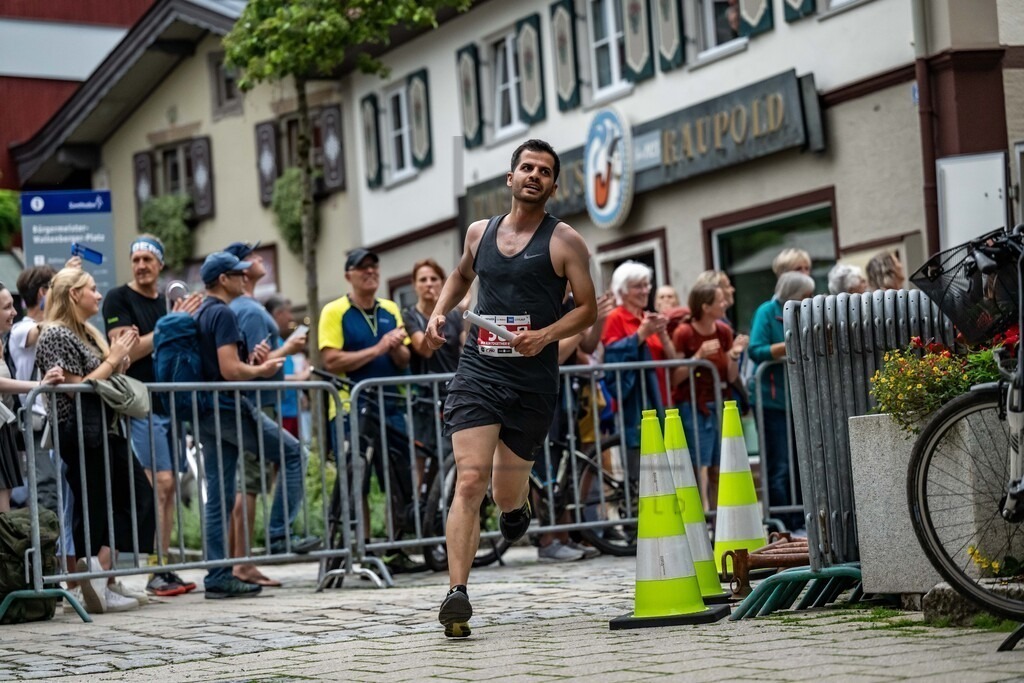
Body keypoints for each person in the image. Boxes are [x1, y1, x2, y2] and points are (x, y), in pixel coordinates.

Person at [424, 139, 597, 637]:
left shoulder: (566, 243)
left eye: (544, 171)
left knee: (503, 492)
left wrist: (544, 335)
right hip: (479, 373)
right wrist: (438, 313)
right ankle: (457, 593)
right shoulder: (480, 233)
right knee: (471, 479)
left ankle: (517, 506)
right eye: (526, 167)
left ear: (553, 186)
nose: (533, 176)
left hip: (531, 381)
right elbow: (458, 278)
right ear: (510, 177)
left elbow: (587, 309)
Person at [192, 252, 312, 599]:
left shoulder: (203, 312)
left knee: (220, 494)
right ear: (224, 279)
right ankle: (279, 533)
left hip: (208, 412)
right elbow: (230, 371)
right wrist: (259, 369)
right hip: (229, 409)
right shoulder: (224, 313)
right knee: (294, 455)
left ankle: (218, 575)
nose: (245, 278)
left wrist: (251, 361)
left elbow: (222, 366)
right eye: (238, 273)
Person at [36, 267, 155, 614]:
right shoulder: (55, 334)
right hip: (79, 430)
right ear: (74, 294)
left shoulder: (86, 331)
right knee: (97, 503)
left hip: (105, 426)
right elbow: (78, 387)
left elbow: (97, 379)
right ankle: (99, 579)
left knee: (133, 496)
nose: (99, 295)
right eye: (91, 288)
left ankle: (103, 574)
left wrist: (118, 361)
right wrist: (113, 361)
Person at [102, 235, 202, 597]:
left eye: (148, 259)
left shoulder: (168, 300)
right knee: (156, 484)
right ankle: (152, 566)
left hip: (170, 404)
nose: (141, 265)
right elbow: (124, 352)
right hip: (140, 403)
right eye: (136, 259)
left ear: (160, 264)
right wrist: (169, 325)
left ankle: (163, 565)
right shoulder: (119, 298)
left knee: (170, 485)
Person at [223, 241, 310, 589]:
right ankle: (252, 555)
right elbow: (259, 366)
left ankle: (242, 562)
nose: (261, 260)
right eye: (254, 256)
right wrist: (288, 349)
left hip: (255, 402)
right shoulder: (249, 310)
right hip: (255, 403)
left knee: (251, 483)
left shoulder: (246, 307)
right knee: (251, 484)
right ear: (243, 268)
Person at [748, 271, 815, 532]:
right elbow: (756, 350)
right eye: (806, 296)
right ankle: (782, 525)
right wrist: (786, 347)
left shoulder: (805, 311)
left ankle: (801, 519)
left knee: (801, 463)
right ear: (793, 295)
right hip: (773, 401)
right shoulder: (766, 311)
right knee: (780, 466)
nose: (809, 299)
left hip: (798, 399)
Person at [672, 282, 748, 511]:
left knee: (718, 467)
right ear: (705, 307)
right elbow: (674, 377)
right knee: (697, 466)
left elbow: (730, 374)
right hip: (693, 406)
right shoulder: (684, 333)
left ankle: (718, 522)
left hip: (719, 403)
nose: (725, 303)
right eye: (720, 301)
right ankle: (699, 519)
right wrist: (697, 356)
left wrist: (733, 355)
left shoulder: (723, 331)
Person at [601, 261, 677, 454]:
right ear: (623, 290)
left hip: (661, 399)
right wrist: (640, 336)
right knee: (642, 468)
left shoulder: (647, 317)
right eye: (638, 286)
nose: (645, 291)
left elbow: (672, 358)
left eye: (647, 285)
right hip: (635, 407)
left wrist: (662, 334)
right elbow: (612, 356)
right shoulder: (615, 317)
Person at [403, 258, 464, 467]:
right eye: (423, 279)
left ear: (443, 282)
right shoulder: (410, 316)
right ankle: (423, 499)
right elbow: (423, 349)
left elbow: (466, 347)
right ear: (414, 285)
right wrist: (437, 315)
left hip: (453, 393)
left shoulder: (454, 316)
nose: (429, 283)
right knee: (423, 455)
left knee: (456, 454)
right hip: (425, 397)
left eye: (434, 279)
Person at [10, 265, 60, 514]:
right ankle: (48, 552)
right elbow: (40, 332)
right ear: (43, 292)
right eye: (57, 289)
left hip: (60, 419)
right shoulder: (20, 329)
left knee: (65, 489)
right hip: (39, 422)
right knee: (47, 489)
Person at [265, 294, 309, 438]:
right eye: (288, 312)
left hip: (292, 410)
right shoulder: (270, 341)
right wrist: (301, 377)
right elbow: (271, 373)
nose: (291, 318)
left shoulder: (282, 342)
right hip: (280, 413)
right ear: (278, 314)